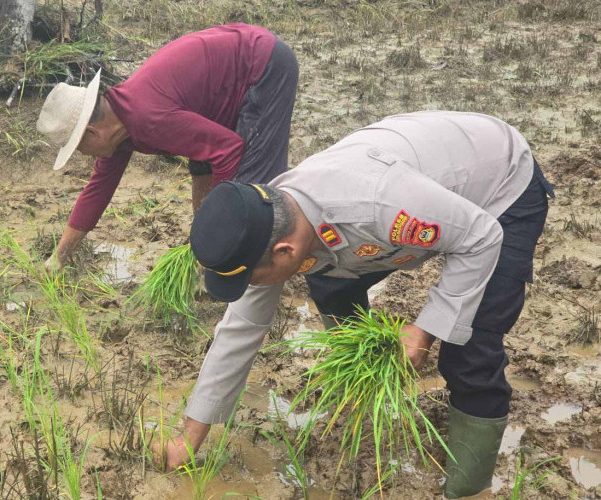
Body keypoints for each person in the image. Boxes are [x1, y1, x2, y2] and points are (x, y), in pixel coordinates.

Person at [168, 111, 555, 499]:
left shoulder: (375, 205)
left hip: (499, 187)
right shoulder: (272, 221)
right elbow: (240, 329)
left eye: (249, 277)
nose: (250, 287)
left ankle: (470, 489)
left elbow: (481, 237)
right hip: (422, 183)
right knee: (330, 283)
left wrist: (424, 330)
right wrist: (188, 440)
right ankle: (365, 389)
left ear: (284, 251)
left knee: (468, 348)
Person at [35, 23, 298, 270]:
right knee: (212, 177)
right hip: (218, 93)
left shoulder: (147, 118)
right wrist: (58, 258)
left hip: (262, 65)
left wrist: (220, 222)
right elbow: (97, 191)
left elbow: (229, 151)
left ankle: (265, 271)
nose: (86, 156)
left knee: (255, 194)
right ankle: (208, 259)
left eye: (80, 148)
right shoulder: (120, 125)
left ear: (93, 133)